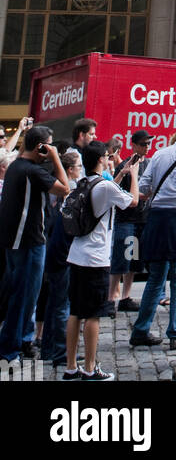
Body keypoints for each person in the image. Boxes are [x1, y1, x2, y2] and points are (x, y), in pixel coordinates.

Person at [63, 140, 138, 381]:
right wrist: (133, 175)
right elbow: (132, 200)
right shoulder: (104, 186)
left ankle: (71, 366)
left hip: (76, 254)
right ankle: (90, 368)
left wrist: (120, 174)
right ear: (99, 160)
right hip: (95, 258)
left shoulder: (84, 183)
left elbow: (107, 195)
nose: (109, 159)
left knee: (75, 311)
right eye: (106, 156)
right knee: (93, 315)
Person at [129, 115, 176, 350]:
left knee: (155, 278)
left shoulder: (158, 154)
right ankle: (175, 334)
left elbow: (145, 188)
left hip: (157, 218)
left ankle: (141, 329)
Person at [0, 124, 69, 362]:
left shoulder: (16, 166)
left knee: (20, 295)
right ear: (40, 147)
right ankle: (9, 349)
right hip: (30, 241)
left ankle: (23, 340)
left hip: (13, 240)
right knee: (24, 298)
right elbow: (65, 189)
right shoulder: (32, 171)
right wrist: (57, 159)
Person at [39, 150, 83, 368]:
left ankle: (49, 349)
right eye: (79, 166)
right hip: (62, 252)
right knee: (61, 305)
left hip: (56, 251)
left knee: (55, 302)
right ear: (70, 170)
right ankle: (60, 352)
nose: (81, 170)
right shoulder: (68, 191)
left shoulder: (59, 189)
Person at [107, 130, 153, 315]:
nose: (146, 148)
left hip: (141, 219)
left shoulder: (149, 165)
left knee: (134, 261)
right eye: (143, 144)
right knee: (121, 260)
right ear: (133, 145)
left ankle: (125, 296)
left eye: (148, 144)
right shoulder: (125, 166)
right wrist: (140, 195)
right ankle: (111, 298)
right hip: (126, 219)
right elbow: (119, 193)